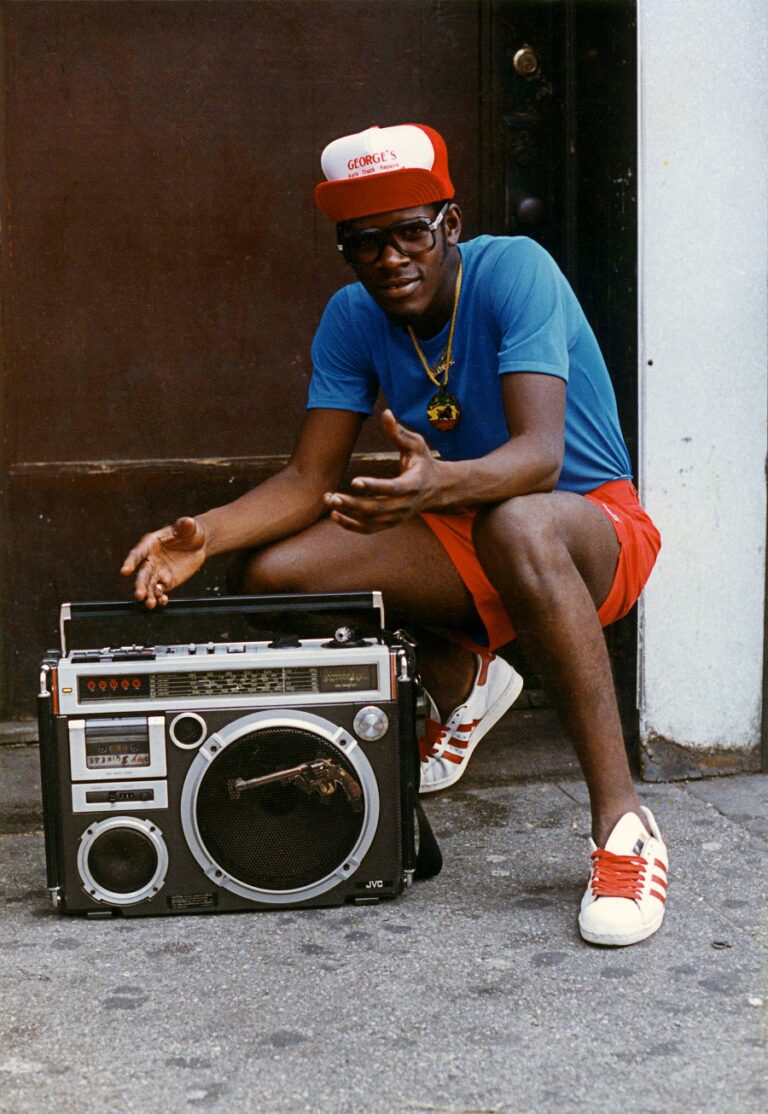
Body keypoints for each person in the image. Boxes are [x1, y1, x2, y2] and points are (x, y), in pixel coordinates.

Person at [122, 123, 667, 946]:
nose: (389, 258)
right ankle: (457, 678)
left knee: (516, 523)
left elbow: (539, 458)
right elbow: (309, 480)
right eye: (363, 242)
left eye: (411, 230)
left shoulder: (516, 270)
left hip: (586, 525)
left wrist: (438, 484)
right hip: (462, 525)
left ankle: (624, 827)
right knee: (271, 574)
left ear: (450, 223)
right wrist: (209, 536)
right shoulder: (352, 315)